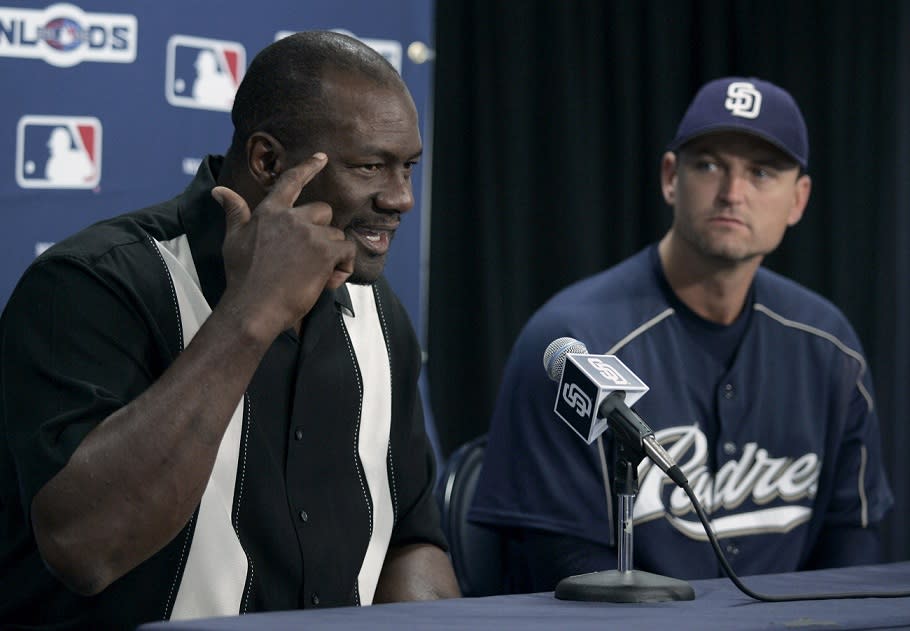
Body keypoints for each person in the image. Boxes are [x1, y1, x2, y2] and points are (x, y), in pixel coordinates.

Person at [0, 31, 459, 629]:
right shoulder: (91, 284)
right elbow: (87, 548)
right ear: (268, 163)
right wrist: (249, 314)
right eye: (370, 166)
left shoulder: (379, 314)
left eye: (408, 168)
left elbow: (409, 542)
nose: (401, 199)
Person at [469, 77, 894, 593]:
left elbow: (853, 535)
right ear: (671, 177)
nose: (732, 193)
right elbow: (560, 560)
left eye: (761, 173)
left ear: (798, 200)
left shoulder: (830, 347)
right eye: (710, 165)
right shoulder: (574, 342)